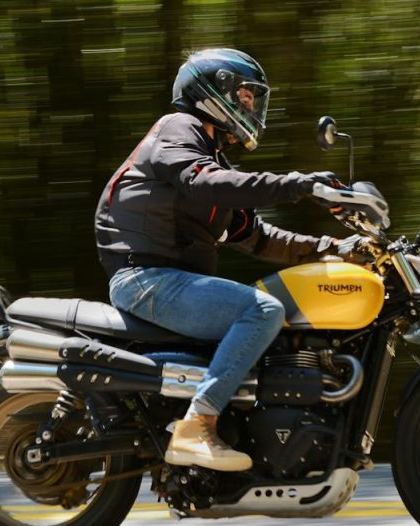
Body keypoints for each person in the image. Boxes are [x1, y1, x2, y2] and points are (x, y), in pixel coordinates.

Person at [94, 48, 358, 473]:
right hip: (146, 277)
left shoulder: (211, 161)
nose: (251, 106)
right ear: (213, 91)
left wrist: (333, 248)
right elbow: (204, 183)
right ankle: (197, 426)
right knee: (260, 311)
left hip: (170, 281)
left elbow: (255, 237)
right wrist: (297, 185)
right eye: (246, 96)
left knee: (276, 314)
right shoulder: (177, 130)